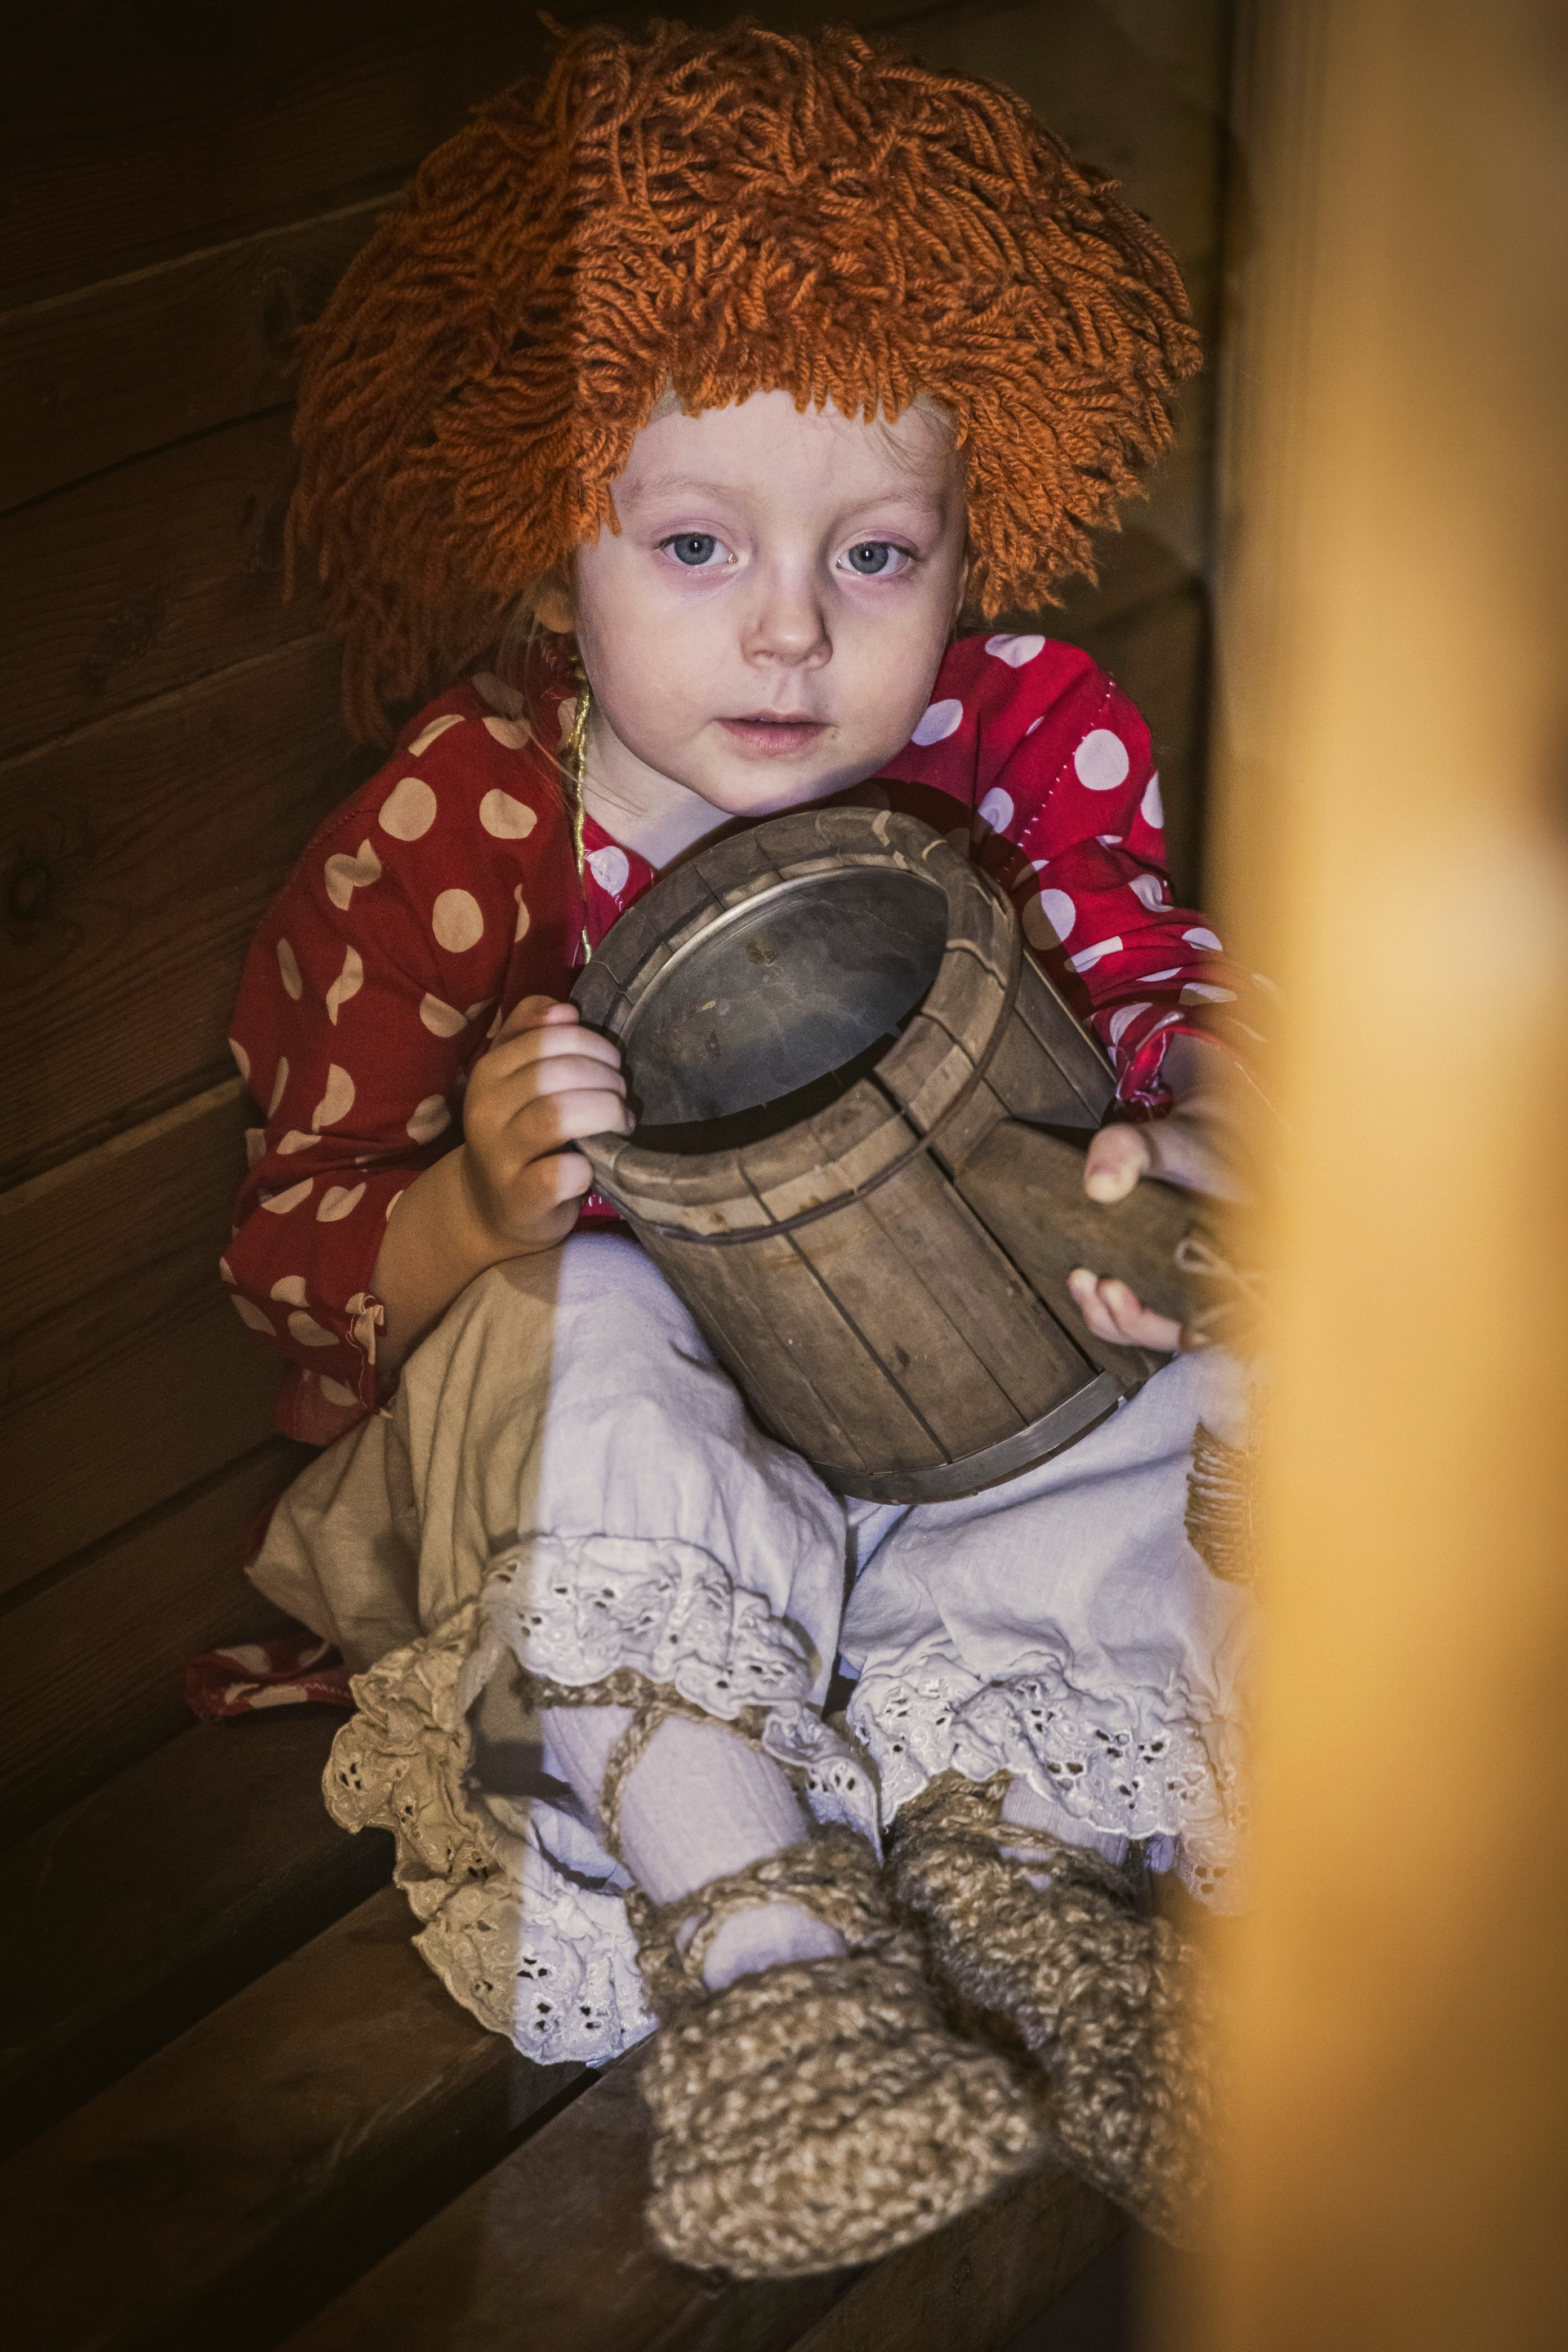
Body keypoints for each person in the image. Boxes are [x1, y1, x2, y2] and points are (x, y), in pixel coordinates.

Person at [225, 19, 1261, 2280]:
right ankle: (767, 1951)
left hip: (957, 1449)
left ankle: (1018, 1862)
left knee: (1224, 1351)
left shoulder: (1019, 742)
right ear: (549, 550)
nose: (791, 628)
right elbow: (293, 1243)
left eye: (876, 553)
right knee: (596, 1307)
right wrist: (471, 1206)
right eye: (695, 543)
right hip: (609, 1511)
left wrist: (1172, 1144)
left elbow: (1151, 982)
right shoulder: (469, 830)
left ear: (970, 538)